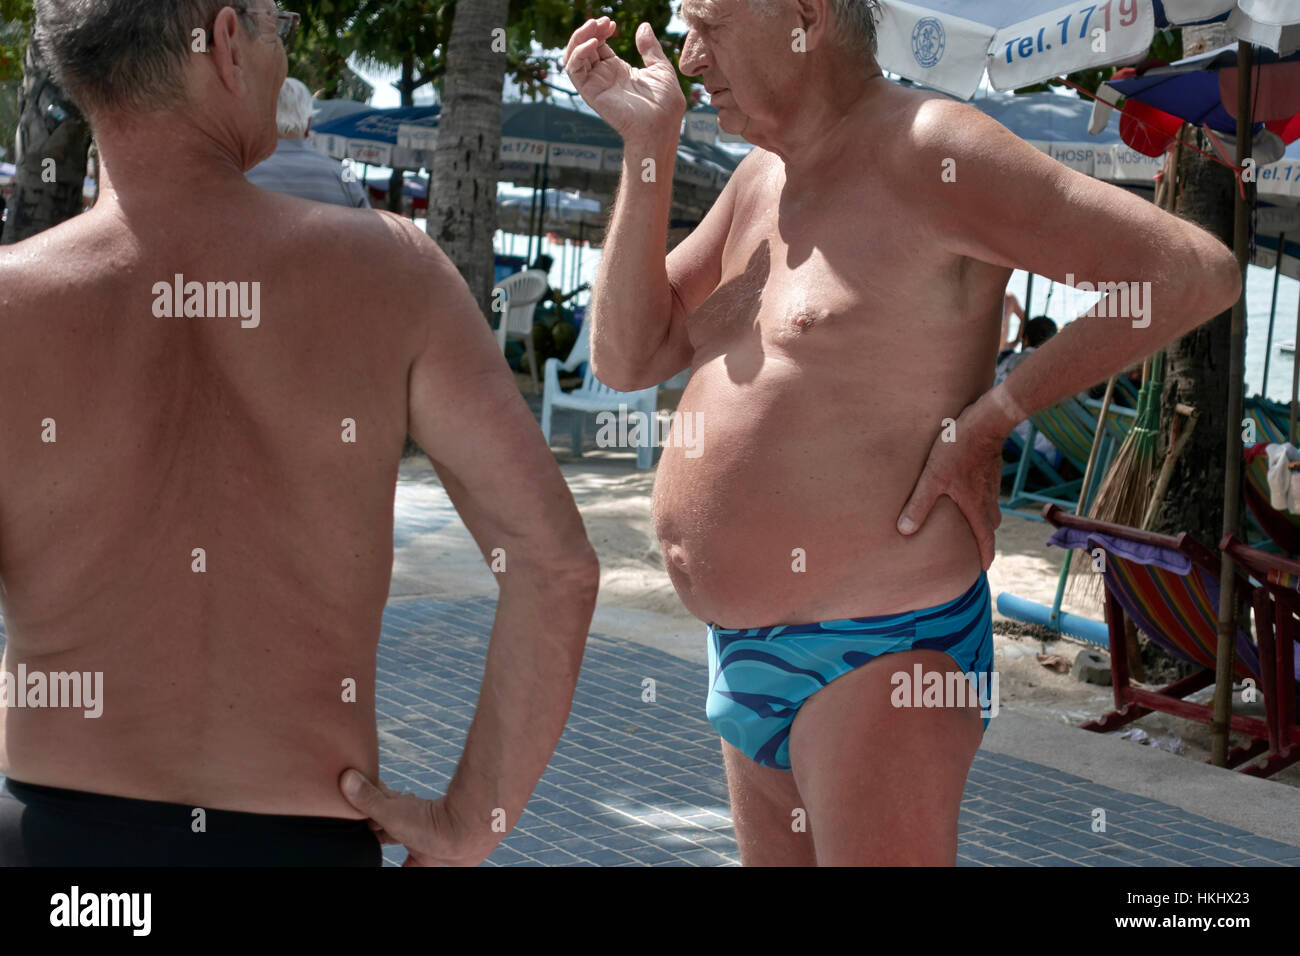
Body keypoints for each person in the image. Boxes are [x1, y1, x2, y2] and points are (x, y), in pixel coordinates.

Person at [563, 2, 1240, 866]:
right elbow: (628, 356)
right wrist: (647, 147)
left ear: (802, 16)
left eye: (710, 24)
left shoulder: (932, 148)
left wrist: (993, 418)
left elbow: (1189, 271)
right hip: (744, 650)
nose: (689, 56)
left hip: (881, 652)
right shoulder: (760, 179)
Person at [0, 0, 599, 866]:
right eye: (276, 25)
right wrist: (475, 820)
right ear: (227, 43)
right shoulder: (395, 277)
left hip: (58, 848)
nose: (282, 61)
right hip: (297, 840)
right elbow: (555, 566)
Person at [246, 76, 369, 207]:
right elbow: (368, 224)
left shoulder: (243, 174)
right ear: (309, 123)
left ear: (262, 119)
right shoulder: (344, 177)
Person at [995, 317, 1060, 468]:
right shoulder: (1048, 367)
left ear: (1026, 340)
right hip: (1031, 440)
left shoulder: (1005, 360)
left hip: (1002, 432)